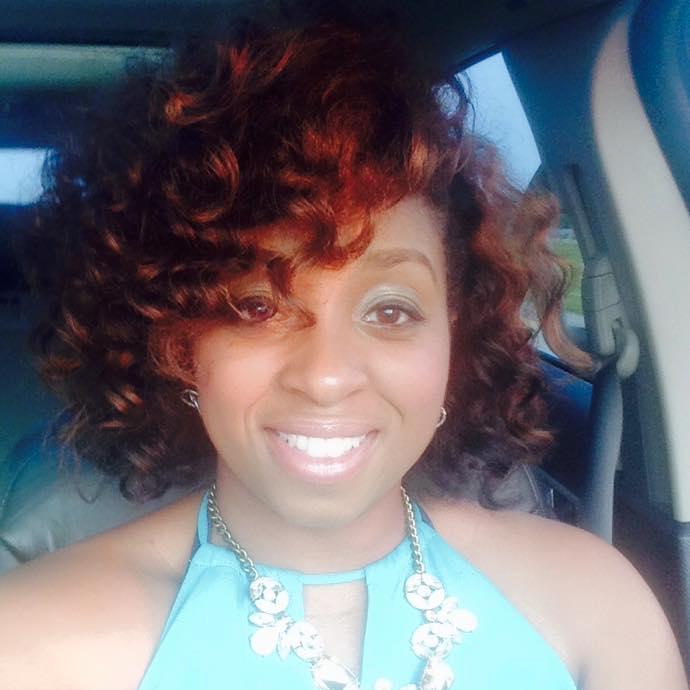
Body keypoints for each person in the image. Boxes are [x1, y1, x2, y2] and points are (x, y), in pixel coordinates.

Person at [0, 13, 687, 690]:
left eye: (391, 311)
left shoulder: (598, 606)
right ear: (179, 341)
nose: (325, 377)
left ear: (452, 334)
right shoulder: (32, 645)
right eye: (257, 307)